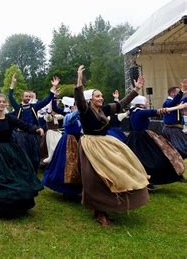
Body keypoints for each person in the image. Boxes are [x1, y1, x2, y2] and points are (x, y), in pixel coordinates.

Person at [74, 66, 149, 226]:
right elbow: (79, 98)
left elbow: (121, 104)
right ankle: (99, 211)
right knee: (95, 178)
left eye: (101, 95)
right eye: (97, 96)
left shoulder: (104, 109)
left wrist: (136, 89)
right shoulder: (85, 110)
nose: (101, 98)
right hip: (90, 145)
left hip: (104, 143)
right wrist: (79, 79)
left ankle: (106, 206)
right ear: (90, 99)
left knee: (116, 171)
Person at [126, 95, 186, 186]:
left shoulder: (133, 112)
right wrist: (178, 107)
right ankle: (150, 181)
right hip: (142, 139)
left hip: (136, 138)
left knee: (144, 160)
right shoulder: (140, 112)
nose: (147, 103)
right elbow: (161, 111)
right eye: (145, 102)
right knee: (159, 158)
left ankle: (149, 181)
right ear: (141, 104)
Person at [8, 73, 59, 172]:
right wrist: (12, 84)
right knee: (24, 155)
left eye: (29, 97)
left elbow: (46, 100)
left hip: (33, 134)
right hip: (21, 135)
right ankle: (26, 174)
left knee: (35, 156)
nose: (27, 98)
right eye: (26, 96)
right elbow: (10, 97)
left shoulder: (34, 107)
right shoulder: (18, 107)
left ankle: (34, 173)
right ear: (22, 97)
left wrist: (53, 87)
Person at [42, 97, 83, 197]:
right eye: (74, 104)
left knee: (78, 164)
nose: (75, 106)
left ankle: (78, 187)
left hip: (78, 140)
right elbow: (69, 114)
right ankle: (66, 188)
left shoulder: (80, 116)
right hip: (68, 141)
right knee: (66, 164)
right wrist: (54, 98)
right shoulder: (68, 115)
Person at [162, 81, 187, 158]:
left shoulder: (175, 102)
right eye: (178, 92)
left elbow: (183, 100)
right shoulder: (167, 102)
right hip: (171, 129)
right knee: (180, 148)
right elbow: (173, 103)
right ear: (172, 93)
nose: (180, 94)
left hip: (174, 129)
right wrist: (182, 91)